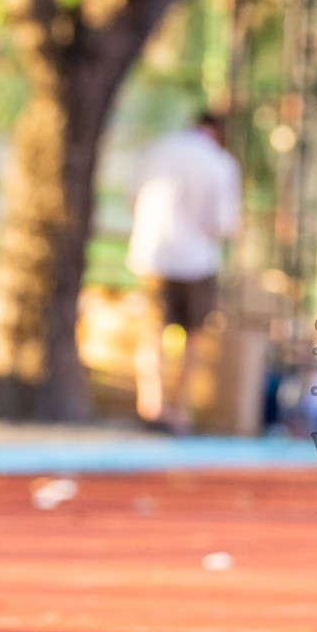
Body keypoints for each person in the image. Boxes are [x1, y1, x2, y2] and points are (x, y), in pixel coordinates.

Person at [126, 111, 241, 434]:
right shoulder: (220, 163)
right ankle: (180, 410)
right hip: (197, 261)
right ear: (218, 133)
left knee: (152, 333)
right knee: (194, 336)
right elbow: (223, 224)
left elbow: (132, 199)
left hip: (152, 256)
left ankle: (152, 404)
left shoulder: (159, 149)